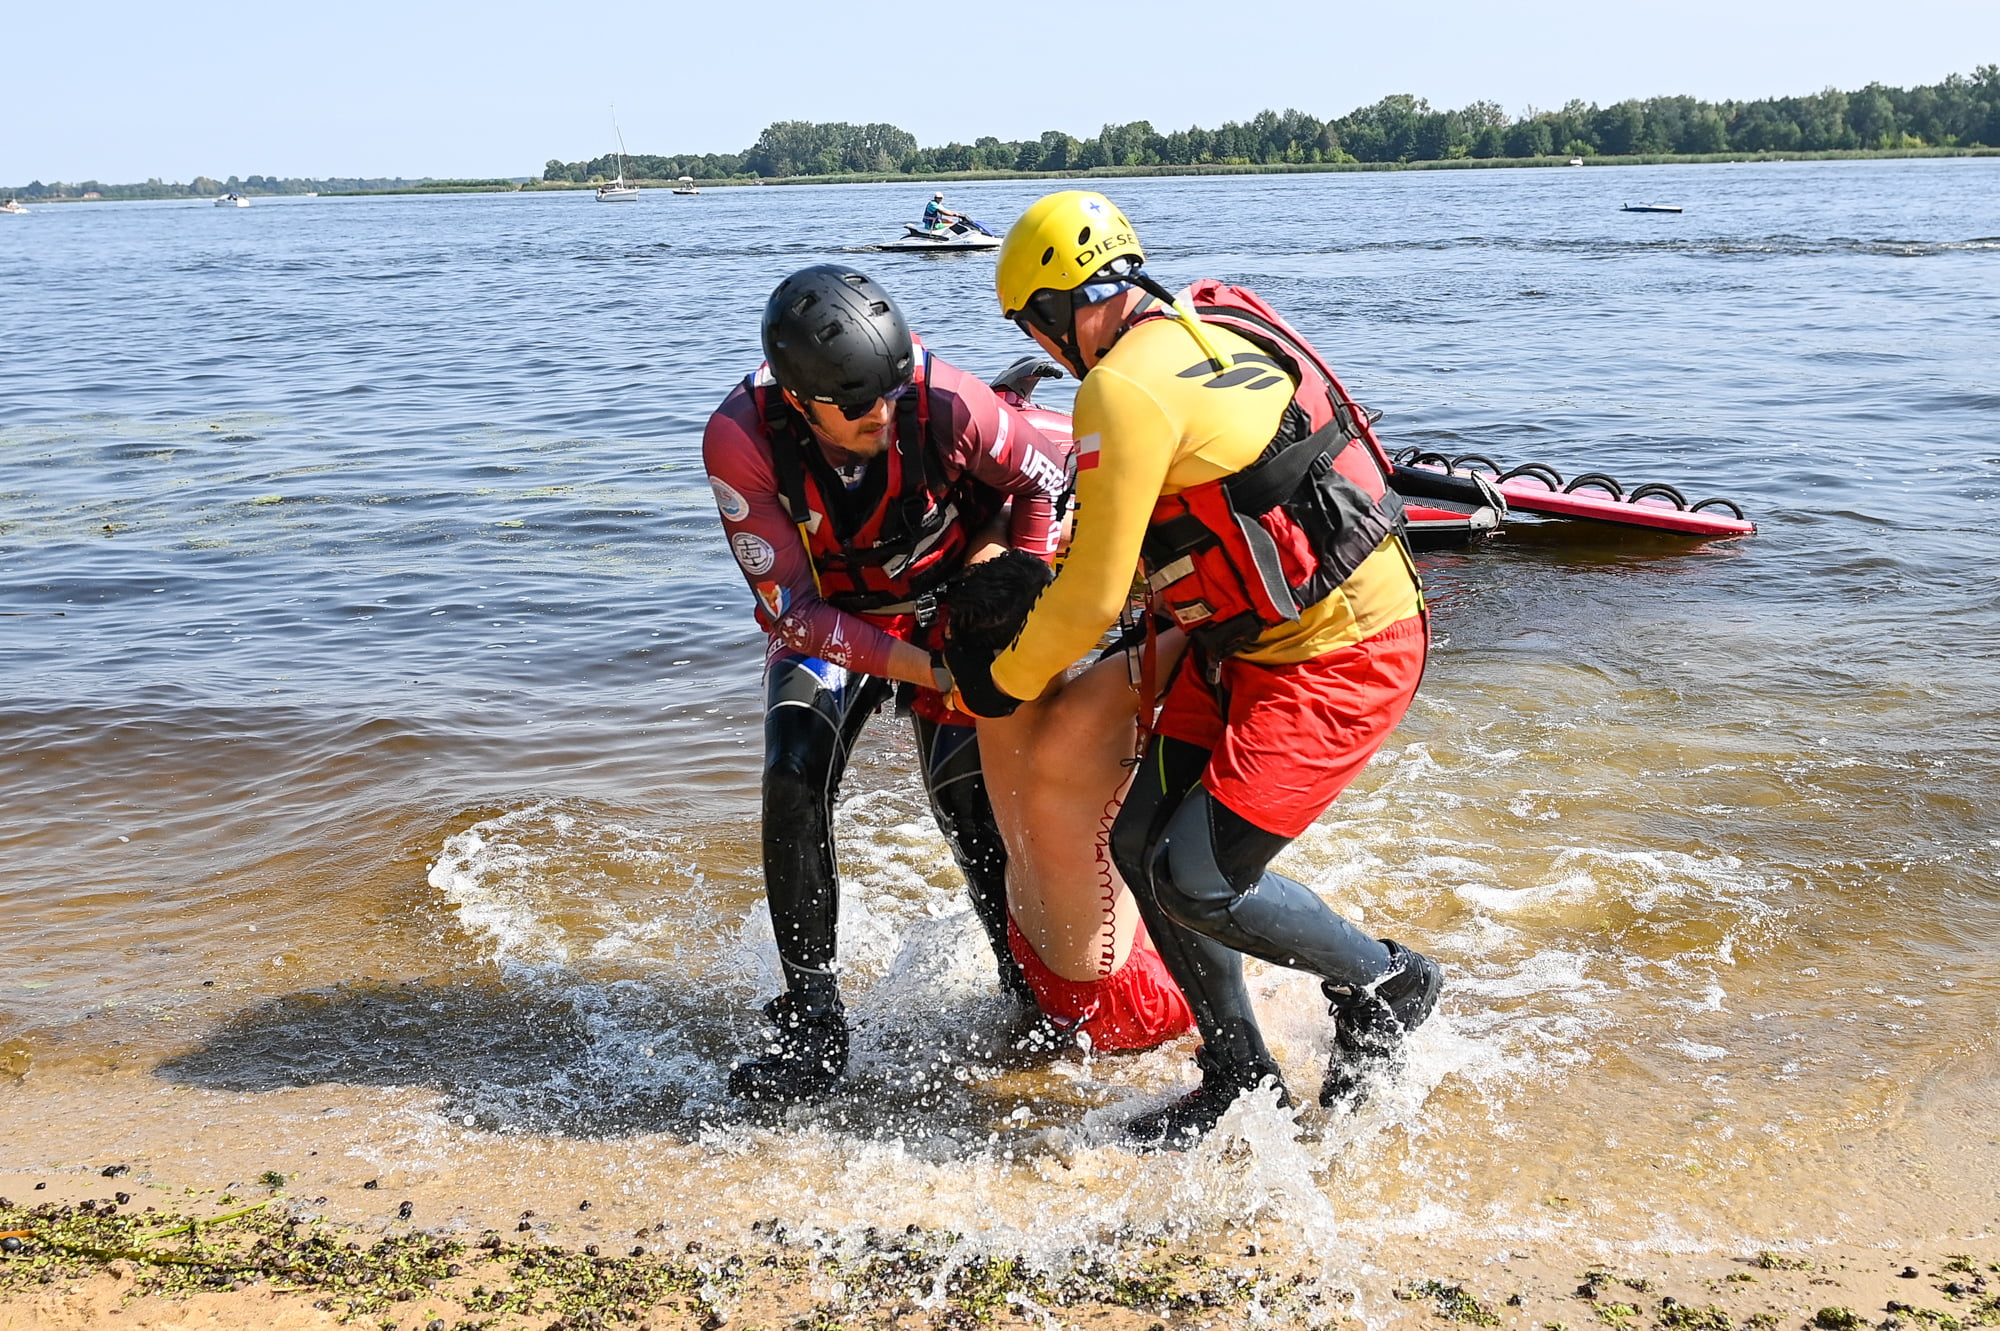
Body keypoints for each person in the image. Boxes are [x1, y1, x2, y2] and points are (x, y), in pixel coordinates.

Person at [946, 190, 1444, 1147]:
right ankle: (1238, 1076)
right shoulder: (1212, 318)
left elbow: (1092, 600)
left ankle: (1387, 981)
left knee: (1197, 878)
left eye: (1030, 325)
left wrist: (999, 683)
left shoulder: (1120, 386)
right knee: (1141, 845)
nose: (1041, 345)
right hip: (1250, 643)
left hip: (1341, 648)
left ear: (1054, 310)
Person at [702, 264, 1070, 1102]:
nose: (883, 412)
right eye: (859, 403)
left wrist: (1013, 587)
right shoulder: (740, 440)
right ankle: (814, 1025)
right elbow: (794, 613)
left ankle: (1028, 994)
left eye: (892, 392)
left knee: (967, 802)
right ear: (801, 401)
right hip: (835, 619)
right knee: (791, 778)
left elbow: (1044, 483)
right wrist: (925, 671)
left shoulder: (949, 402)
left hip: (948, 603)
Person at [941, 548, 1195, 1053]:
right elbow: (1208, 627)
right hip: (1123, 992)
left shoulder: (983, 699)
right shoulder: (1092, 704)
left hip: (1039, 960)